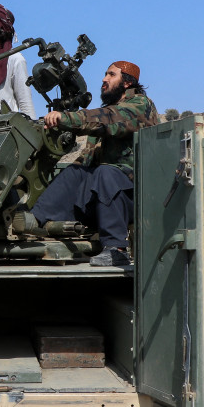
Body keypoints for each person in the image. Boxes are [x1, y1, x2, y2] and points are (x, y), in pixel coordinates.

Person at [28, 61, 158, 266]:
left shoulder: (140, 106)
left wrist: (66, 118)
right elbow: (86, 160)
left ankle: (117, 249)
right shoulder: (109, 112)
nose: (104, 79)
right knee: (76, 172)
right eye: (105, 74)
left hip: (137, 197)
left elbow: (105, 119)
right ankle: (33, 221)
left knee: (105, 173)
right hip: (107, 198)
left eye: (111, 75)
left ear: (126, 82)